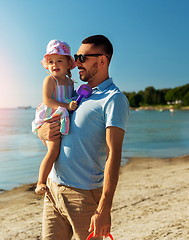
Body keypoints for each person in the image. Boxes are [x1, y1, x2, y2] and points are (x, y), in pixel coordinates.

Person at [37, 35, 129, 240]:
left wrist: (104, 209)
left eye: (82, 57)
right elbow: (54, 128)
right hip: (53, 189)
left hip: (82, 195)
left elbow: (114, 154)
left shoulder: (114, 99)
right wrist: (42, 133)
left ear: (102, 61)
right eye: (76, 57)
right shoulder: (76, 93)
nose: (76, 62)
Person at [32, 39, 78, 195]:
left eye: (59, 60)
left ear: (68, 63)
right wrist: (67, 106)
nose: (54, 64)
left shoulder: (71, 83)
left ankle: (59, 178)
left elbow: (71, 100)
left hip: (63, 117)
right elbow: (48, 100)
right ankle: (40, 182)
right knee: (53, 150)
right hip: (51, 116)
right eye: (50, 61)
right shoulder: (50, 80)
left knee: (61, 149)